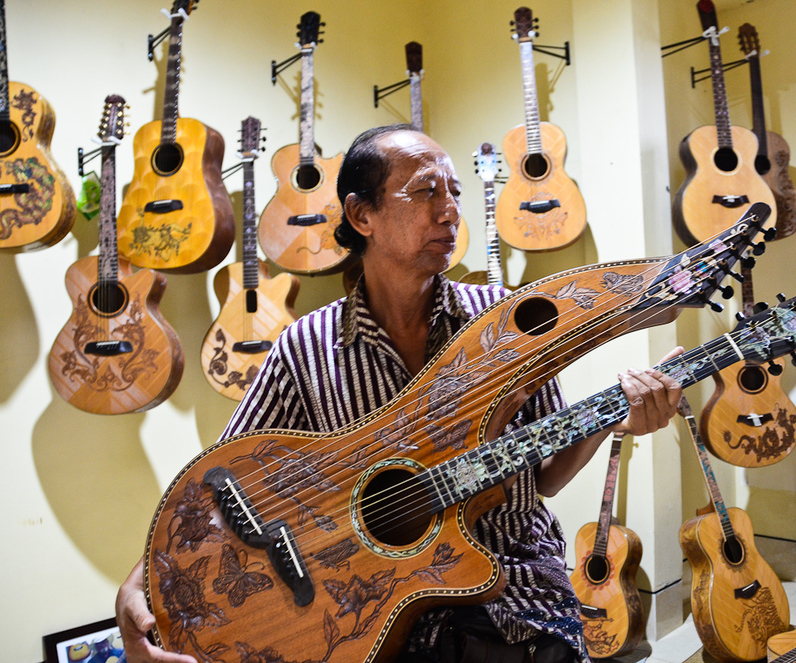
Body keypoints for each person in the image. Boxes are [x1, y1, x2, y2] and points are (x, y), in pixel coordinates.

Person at [115, 124, 682, 663]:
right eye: (425, 191)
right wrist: (136, 585)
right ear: (363, 215)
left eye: (455, 192)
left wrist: (611, 420)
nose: (450, 211)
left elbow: (547, 477)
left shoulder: (502, 323)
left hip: (517, 603)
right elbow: (221, 483)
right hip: (371, 617)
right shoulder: (304, 347)